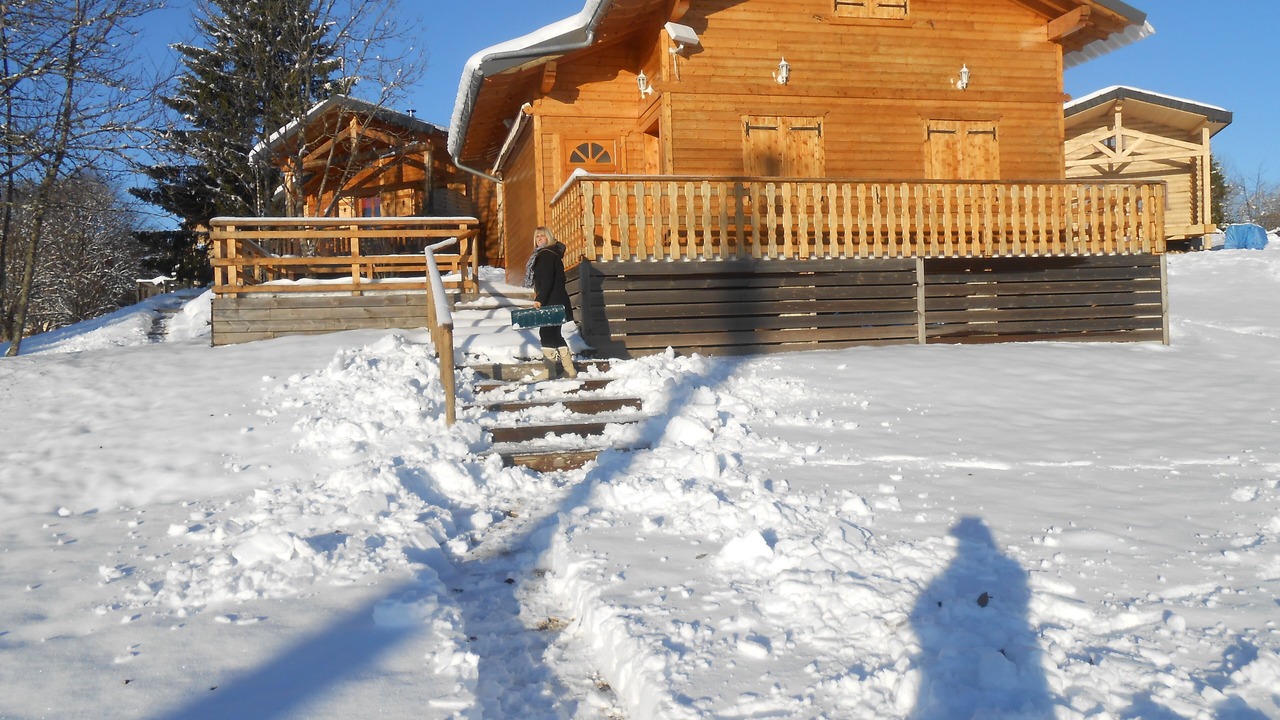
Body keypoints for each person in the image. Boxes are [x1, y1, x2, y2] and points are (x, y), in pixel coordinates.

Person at [524, 226, 577, 378]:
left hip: (551, 300)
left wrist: (540, 299)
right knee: (554, 334)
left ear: (548, 237)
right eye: (537, 237)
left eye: (542, 236)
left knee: (546, 333)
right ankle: (569, 369)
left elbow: (547, 280)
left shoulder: (545, 255)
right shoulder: (553, 254)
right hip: (558, 299)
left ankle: (550, 371)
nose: (539, 239)